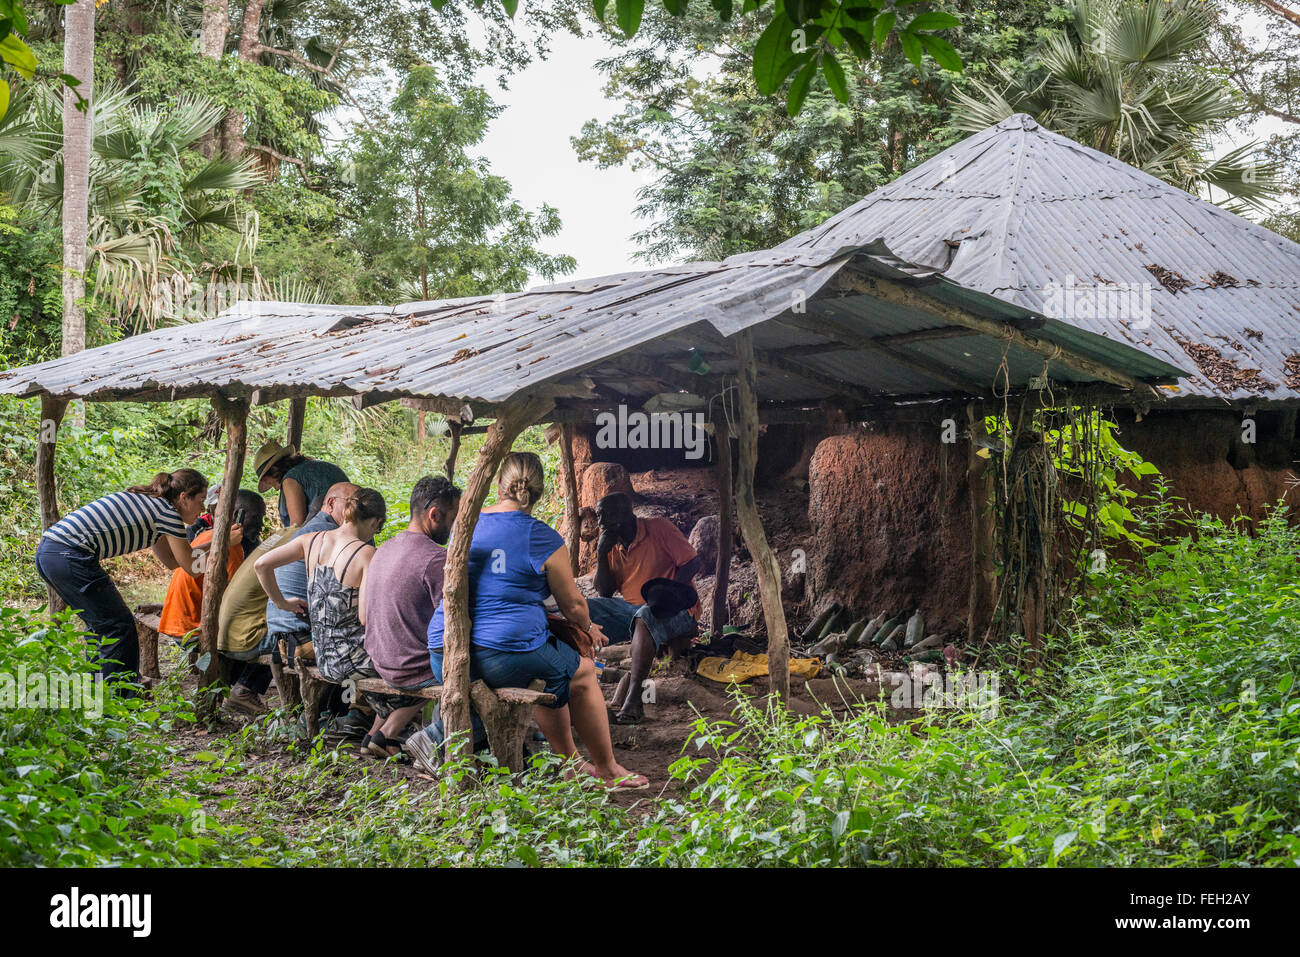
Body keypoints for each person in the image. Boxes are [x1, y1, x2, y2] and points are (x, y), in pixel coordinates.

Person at [425, 452, 647, 789]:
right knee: (581, 671)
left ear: (499, 485)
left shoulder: (466, 523)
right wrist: (588, 627)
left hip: (444, 649)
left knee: (550, 666)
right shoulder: (541, 536)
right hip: (498, 656)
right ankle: (607, 767)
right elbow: (572, 604)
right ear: (540, 493)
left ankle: (571, 764)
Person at [255, 488, 409, 750]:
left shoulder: (311, 540)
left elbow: (261, 565)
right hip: (353, 660)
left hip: (323, 656)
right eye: (378, 529)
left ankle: (377, 737)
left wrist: (282, 603)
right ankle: (385, 734)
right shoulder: (366, 554)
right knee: (414, 668)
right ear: (375, 522)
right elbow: (364, 618)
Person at [35, 469, 216, 686]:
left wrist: (213, 544)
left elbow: (172, 561)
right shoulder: (167, 513)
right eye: (201, 500)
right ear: (184, 497)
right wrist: (220, 544)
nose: (203, 509)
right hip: (68, 554)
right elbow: (191, 567)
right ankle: (119, 701)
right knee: (118, 627)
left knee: (101, 626)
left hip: (50, 551)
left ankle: (100, 693)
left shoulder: (153, 504)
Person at [359, 476, 462, 761]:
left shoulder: (384, 548)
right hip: (409, 668)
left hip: (378, 659)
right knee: (469, 670)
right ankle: (394, 734)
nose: (456, 527)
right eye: (454, 518)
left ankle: (379, 734)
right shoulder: (435, 559)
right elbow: (455, 620)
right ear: (434, 514)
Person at [587, 492, 702, 724]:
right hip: (632, 610)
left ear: (625, 514)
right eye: (599, 516)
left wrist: (670, 593)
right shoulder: (611, 546)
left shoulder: (658, 528)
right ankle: (583, 692)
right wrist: (601, 553)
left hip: (677, 610)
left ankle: (634, 700)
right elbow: (605, 593)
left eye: (606, 515)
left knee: (645, 616)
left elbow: (692, 561)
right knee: (583, 609)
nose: (600, 522)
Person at [216, 505, 307, 716]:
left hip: (226, 631)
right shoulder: (303, 540)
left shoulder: (284, 533)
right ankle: (246, 690)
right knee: (293, 636)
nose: (260, 522)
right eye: (257, 515)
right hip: (242, 639)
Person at [158, 489, 266, 648]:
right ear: (237, 515)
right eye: (256, 517)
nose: (261, 523)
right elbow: (235, 601)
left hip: (178, 626)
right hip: (192, 632)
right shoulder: (231, 549)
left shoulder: (210, 535)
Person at [252, 440, 348, 528]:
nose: (268, 484)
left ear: (274, 470)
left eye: (265, 479)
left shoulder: (290, 480)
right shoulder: (322, 466)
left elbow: (296, 526)